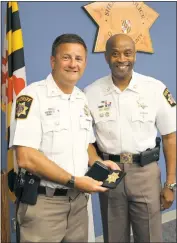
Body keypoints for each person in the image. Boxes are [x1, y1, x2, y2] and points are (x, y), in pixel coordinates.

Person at [9, 33, 120, 243]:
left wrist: (97, 163)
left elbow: (86, 144)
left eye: (78, 59)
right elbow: (26, 157)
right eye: (66, 57)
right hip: (44, 205)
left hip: (78, 203)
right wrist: (74, 180)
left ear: (85, 63)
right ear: (53, 61)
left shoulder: (81, 98)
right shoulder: (31, 97)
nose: (73, 64)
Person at [84, 33, 176, 242]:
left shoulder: (154, 89)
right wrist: (97, 164)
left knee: (150, 236)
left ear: (135, 55)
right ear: (106, 57)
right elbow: (85, 139)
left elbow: (170, 137)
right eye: (115, 54)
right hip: (110, 173)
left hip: (145, 173)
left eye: (127, 53)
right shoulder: (91, 93)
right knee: (114, 236)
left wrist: (170, 184)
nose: (122, 59)